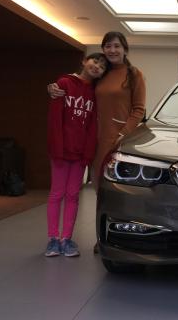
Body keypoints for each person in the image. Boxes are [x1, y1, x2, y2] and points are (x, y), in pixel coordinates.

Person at [48, 32, 147, 254]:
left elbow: (139, 109)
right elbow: (78, 87)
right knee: (100, 193)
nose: (112, 50)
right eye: (108, 46)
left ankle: (120, 237)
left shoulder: (134, 74)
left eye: (117, 46)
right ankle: (102, 236)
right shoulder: (101, 73)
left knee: (118, 192)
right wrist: (52, 88)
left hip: (118, 141)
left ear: (125, 49)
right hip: (93, 142)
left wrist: (123, 134)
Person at [45, 52, 109, 257]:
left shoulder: (94, 93)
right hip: (61, 151)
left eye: (102, 66)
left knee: (73, 195)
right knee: (57, 194)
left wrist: (87, 154)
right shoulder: (64, 83)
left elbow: (92, 126)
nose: (97, 66)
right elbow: (55, 119)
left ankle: (66, 239)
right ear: (84, 61)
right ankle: (53, 239)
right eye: (95, 61)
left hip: (80, 155)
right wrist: (57, 148)